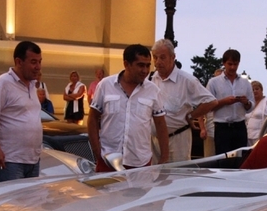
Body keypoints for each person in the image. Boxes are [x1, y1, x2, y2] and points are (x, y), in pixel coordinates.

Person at [88, 44, 169, 172]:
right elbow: (92, 118)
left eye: (148, 65)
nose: (145, 70)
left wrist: (164, 156)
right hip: (108, 160)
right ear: (126, 64)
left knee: (139, 193)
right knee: (105, 193)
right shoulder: (105, 85)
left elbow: (160, 124)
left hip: (140, 163)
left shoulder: (153, 91)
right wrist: (97, 152)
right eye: (140, 65)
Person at [0, 41, 43, 184]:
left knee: (29, 205)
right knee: (11, 206)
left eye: (40, 62)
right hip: (9, 161)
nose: (38, 67)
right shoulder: (2, 84)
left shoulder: (33, 85)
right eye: (33, 62)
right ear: (18, 62)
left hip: (32, 160)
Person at [150, 39, 217, 162]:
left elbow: (211, 101)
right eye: (155, 57)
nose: (158, 62)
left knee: (177, 177)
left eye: (162, 57)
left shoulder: (186, 80)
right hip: (154, 141)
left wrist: (192, 116)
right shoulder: (152, 79)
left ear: (172, 57)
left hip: (177, 140)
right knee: (153, 178)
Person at [206, 49, 255, 154]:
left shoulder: (245, 83)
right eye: (230, 64)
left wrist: (246, 102)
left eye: (236, 64)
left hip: (240, 126)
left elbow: (251, 106)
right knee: (223, 160)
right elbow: (208, 106)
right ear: (224, 63)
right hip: (222, 127)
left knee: (240, 160)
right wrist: (224, 102)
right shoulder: (213, 82)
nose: (233, 67)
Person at [245, 80, 267, 145]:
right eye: (252, 90)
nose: (255, 91)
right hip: (248, 137)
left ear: (261, 90)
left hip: (260, 136)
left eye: (257, 89)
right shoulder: (249, 104)